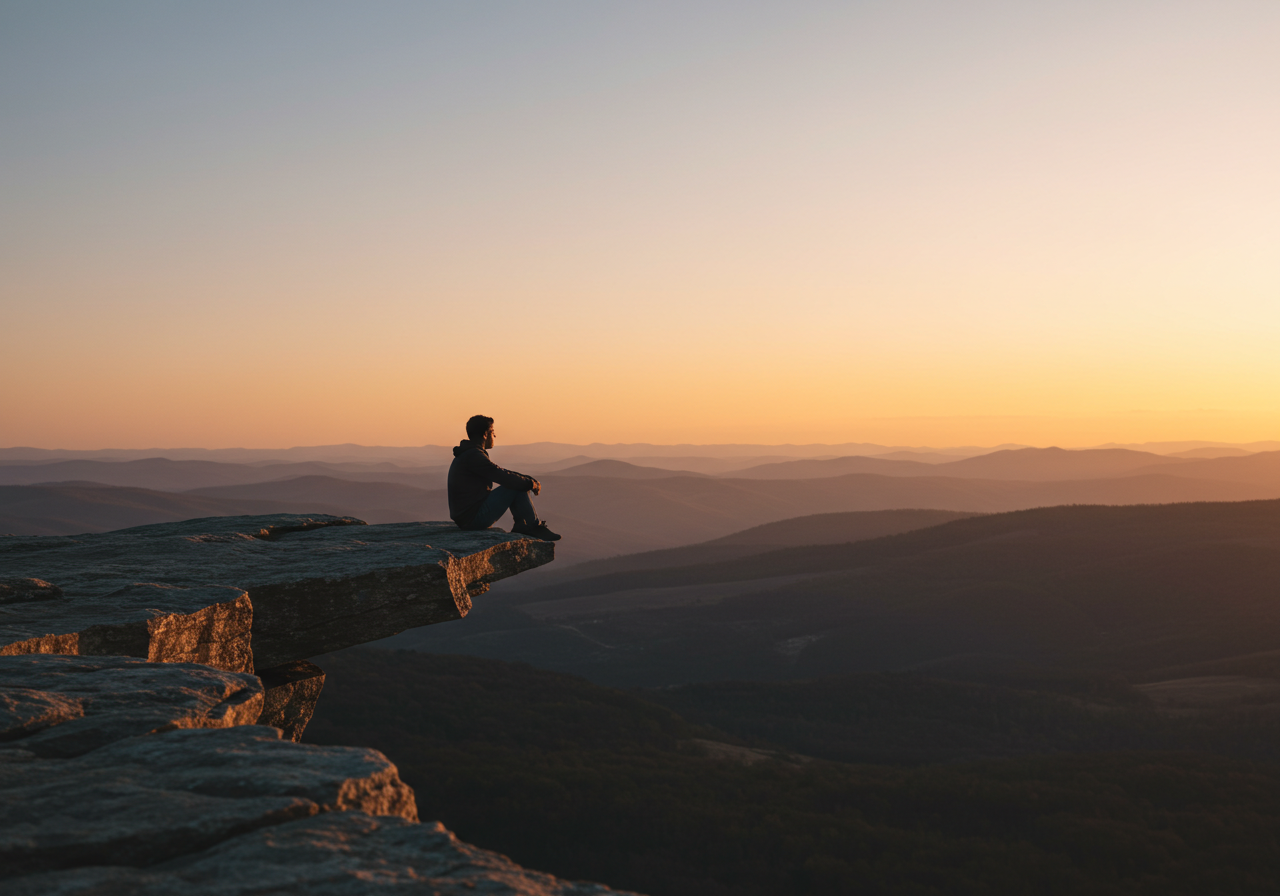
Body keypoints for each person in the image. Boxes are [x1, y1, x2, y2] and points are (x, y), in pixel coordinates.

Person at [447, 415, 561, 541]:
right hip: (472, 519)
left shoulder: (469, 453)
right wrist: (530, 484)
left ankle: (523, 525)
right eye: (492, 432)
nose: (494, 436)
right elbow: (502, 476)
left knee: (518, 483)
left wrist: (526, 480)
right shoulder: (474, 456)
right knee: (515, 486)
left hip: (467, 517)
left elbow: (500, 472)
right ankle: (532, 526)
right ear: (485, 434)